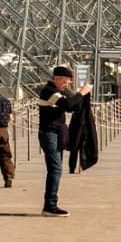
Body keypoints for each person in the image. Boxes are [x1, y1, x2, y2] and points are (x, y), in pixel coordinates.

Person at [36, 67, 88, 216]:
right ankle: (50, 206)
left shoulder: (57, 92)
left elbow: (70, 105)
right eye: (65, 82)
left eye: (68, 82)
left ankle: (51, 204)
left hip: (56, 133)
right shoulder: (49, 91)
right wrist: (82, 93)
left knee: (55, 169)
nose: (67, 84)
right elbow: (68, 105)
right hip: (49, 134)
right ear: (56, 79)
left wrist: (80, 97)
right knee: (56, 169)